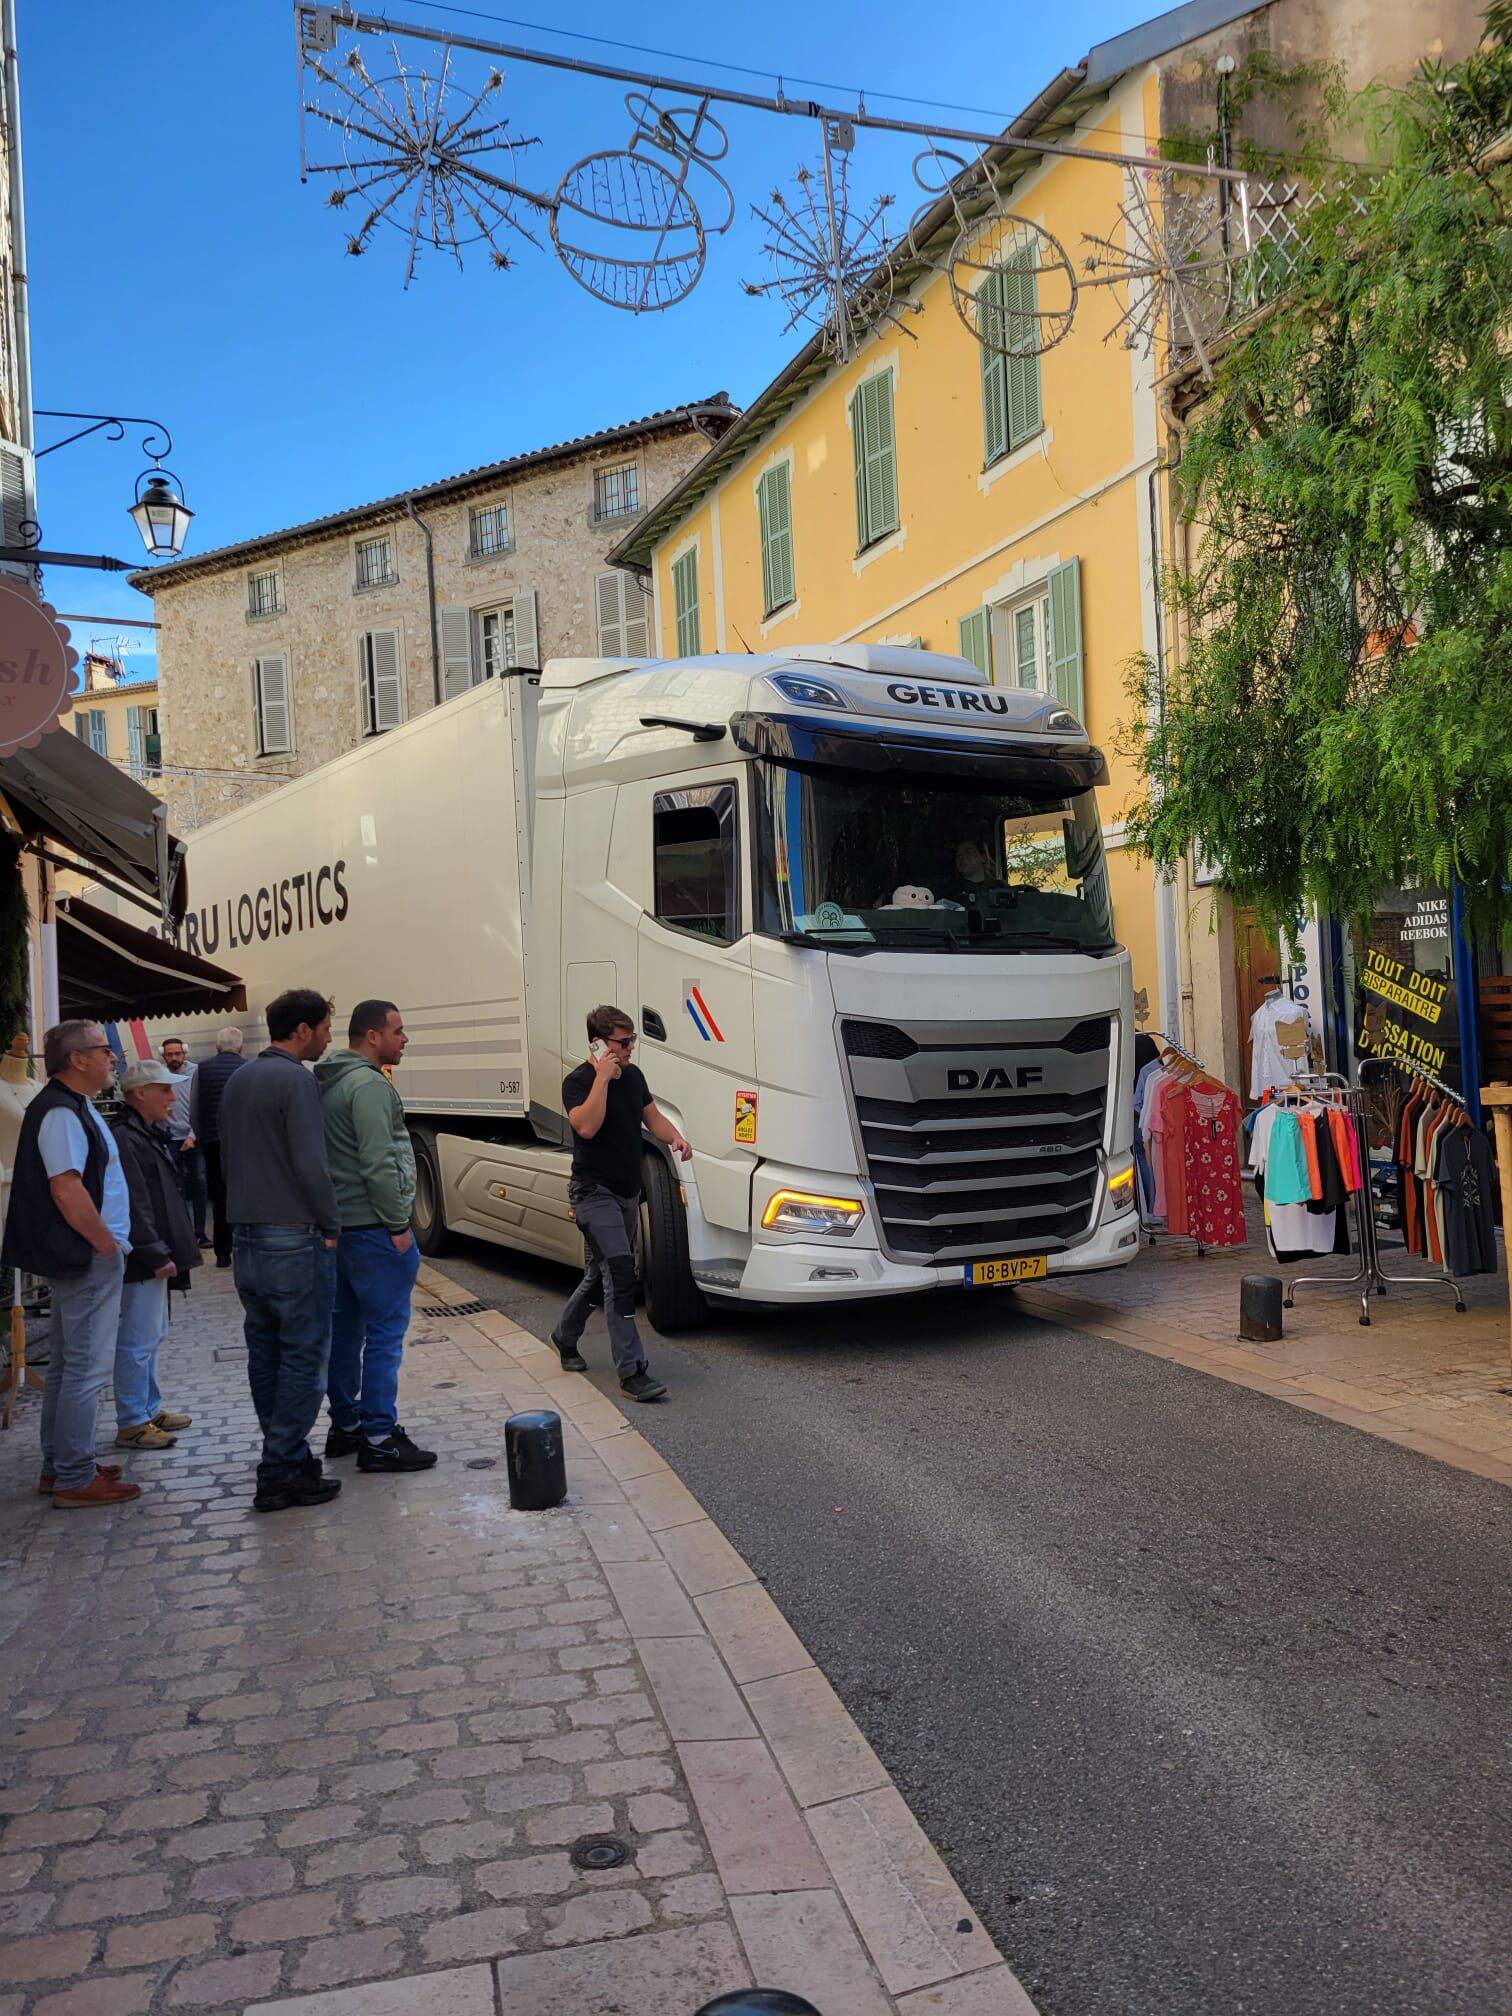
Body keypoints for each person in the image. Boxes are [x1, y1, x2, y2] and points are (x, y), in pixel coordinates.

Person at [0, 1020, 139, 1508]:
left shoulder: (68, 1105)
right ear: (78, 1059)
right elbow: (66, 1186)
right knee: (84, 1366)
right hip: (84, 1254)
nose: (112, 1059)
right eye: (104, 1051)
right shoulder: (60, 1110)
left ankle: (60, 1465)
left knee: (67, 1363)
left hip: (81, 1253)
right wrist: (105, 1244)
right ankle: (75, 1477)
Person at [219, 989, 343, 1514]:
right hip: (292, 1234)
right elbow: (311, 1164)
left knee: (265, 1349)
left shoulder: (239, 1077)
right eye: (325, 1028)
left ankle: (286, 1458)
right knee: (304, 1353)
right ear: (301, 1031)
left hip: (246, 1234)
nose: (329, 1037)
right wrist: (330, 1222)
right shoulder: (297, 1079)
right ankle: (281, 1465)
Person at [316, 999, 435, 1474]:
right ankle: (380, 1436)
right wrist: (398, 1224)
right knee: (385, 1335)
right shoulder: (368, 1085)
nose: (404, 1039)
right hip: (373, 1230)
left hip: (341, 1228)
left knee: (345, 1331)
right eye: (398, 1031)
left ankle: (346, 1425)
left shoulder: (329, 1081)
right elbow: (378, 1161)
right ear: (372, 1037)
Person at [552, 1004, 692, 1402]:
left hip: (627, 1192)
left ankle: (564, 1335)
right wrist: (601, 1078)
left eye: (632, 1040)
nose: (630, 1048)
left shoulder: (634, 1077)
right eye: (623, 1042)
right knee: (619, 1270)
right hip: (592, 1192)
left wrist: (675, 1139)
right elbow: (587, 1125)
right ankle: (632, 1372)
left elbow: (652, 1118)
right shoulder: (577, 1082)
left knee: (601, 1274)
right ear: (598, 1044)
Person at [111, 1060, 199, 1451]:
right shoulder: (127, 1137)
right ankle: (133, 1420)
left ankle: (147, 1407)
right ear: (139, 1093)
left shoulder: (142, 1133)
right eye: (163, 1089)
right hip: (143, 1258)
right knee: (138, 1338)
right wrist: (154, 1251)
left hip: (152, 1253)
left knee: (151, 1334)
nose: (171, 1096)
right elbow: (134, 1203)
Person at [191, 1027, 246, 1269]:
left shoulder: (202, 1069)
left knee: (219, 1196)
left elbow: (194, 1104)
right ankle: (242, 1247)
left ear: (217, 1046)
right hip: (241, 1140)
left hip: (212, 1140)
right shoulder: (247, 1068)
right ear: (240, 1048)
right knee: (242, 1193)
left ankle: (222, 1253)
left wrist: (199, 1133)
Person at [160, 1036, 207, 1246]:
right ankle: (183, 1232)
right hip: (170, 1137)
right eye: (170, 1054)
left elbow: (201, 1106)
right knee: (175, 1186)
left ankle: (200, 1232)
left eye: (177, 1053)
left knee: (200, 1183)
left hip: (193, 1137)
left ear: (184, 1052)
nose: (174, 1058)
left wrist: (192, 1135)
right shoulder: (160, 1075)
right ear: (164, 1055)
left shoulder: (196, 1072)